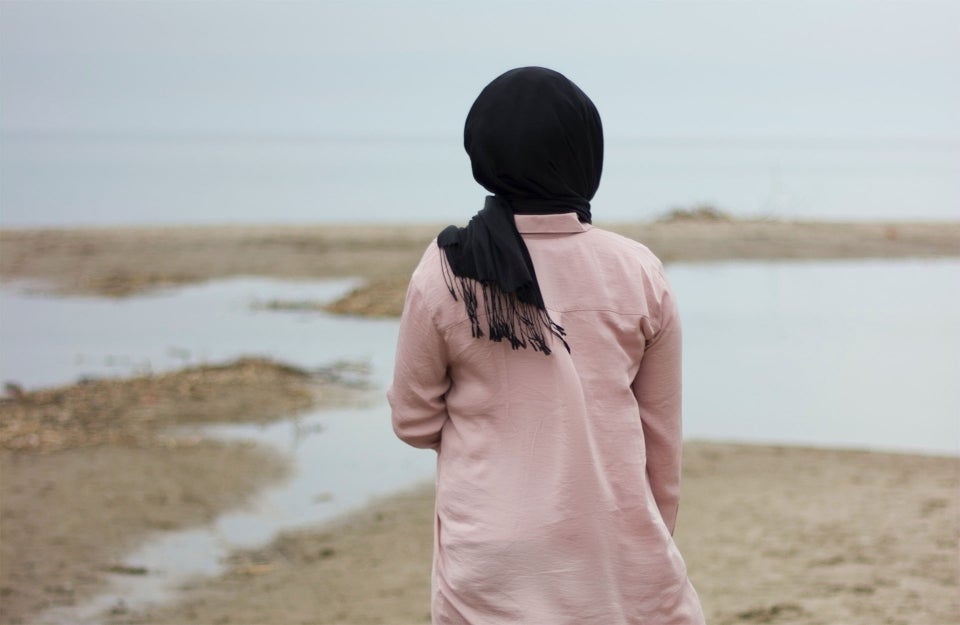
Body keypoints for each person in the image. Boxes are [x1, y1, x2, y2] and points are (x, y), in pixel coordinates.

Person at [388, 67, 705, 625]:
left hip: (490, 554)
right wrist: (647, 538)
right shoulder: (638, 271)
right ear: (586, 154)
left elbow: (413, 422)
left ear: (482, 151)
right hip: (612, 542)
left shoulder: (446, 271)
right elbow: (661, 437)